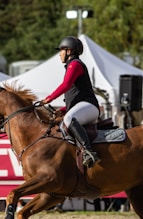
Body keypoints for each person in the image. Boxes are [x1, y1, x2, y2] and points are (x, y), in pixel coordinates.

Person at [41, 36, 100, 168]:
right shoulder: (71, 65)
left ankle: (88, 152)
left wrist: (48, 98)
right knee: (65, 119)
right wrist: (61, 109)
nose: (59, 54)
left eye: (61, 50)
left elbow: (66, 85)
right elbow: (74, 98)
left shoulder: (75, 64)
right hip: (85, 106)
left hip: (90, 106)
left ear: (69, 51)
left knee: (69, 118)